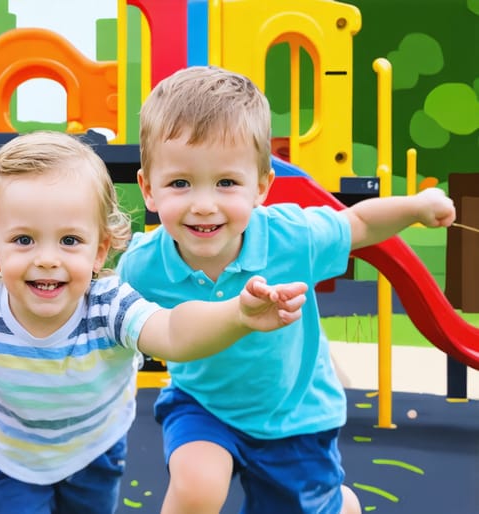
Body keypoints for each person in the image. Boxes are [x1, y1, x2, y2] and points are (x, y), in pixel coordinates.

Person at [117, 65, 456, 514]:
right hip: (201, 404)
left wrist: (415, 207)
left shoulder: (292, 236)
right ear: (149, 190)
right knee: (196, 489)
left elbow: (358, 223)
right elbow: (103, 314)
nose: (203, 203)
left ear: (260, 187)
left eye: (226, 183)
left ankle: (340, 505)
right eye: (180, 183)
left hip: (293, 413)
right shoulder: (142, 265)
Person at [0, 130, 311, 514]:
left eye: (70, 241)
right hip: (4, 454)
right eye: (24, 240)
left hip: (94, 449)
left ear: (100, 249)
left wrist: (238, 315)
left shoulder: (109, 307)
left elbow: (171, 331)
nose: (47, 259)